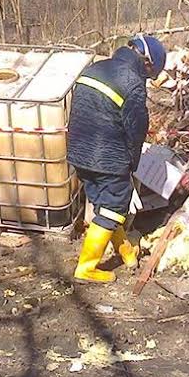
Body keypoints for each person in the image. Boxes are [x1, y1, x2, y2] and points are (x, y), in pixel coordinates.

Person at [67, 34, 166, 283]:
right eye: (150, 74)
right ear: (147, 64)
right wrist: (132, 163)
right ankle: (86, 268)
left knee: (106, 204)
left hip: (79, 152)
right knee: (114, 204)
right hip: (107, 156)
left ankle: (125, 253)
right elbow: (136, 130)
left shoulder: (95, 69)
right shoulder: (132, 82)